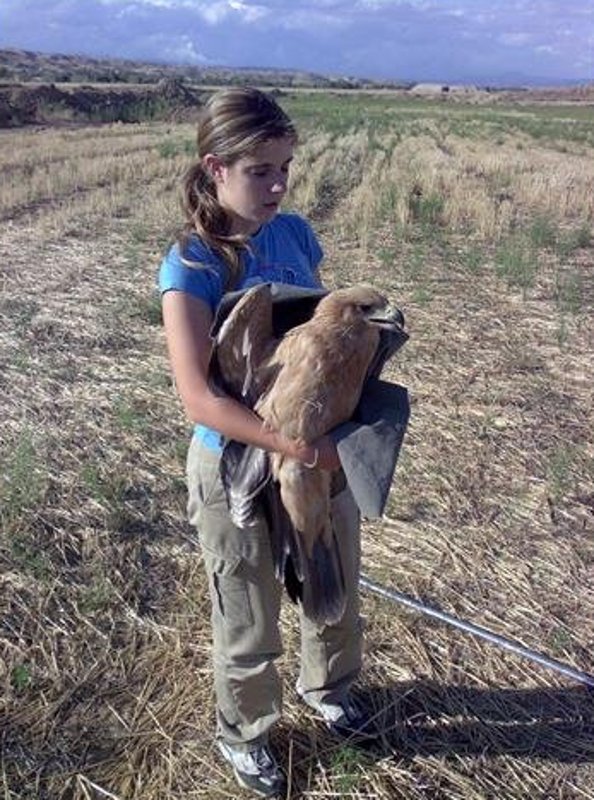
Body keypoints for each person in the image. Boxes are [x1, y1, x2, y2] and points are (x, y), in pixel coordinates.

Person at [159, 87, 376, 798]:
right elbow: (199, 395)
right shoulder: (193, 262)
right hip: (234, 462)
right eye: (261, 170)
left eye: (286, 167)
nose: (279, 184)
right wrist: (298, 448)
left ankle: (333, 690)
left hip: (317, 452)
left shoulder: (297, 238)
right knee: (247, 604)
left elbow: (314, 343)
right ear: (216, 167)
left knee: (332, 572)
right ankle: (247, 733)